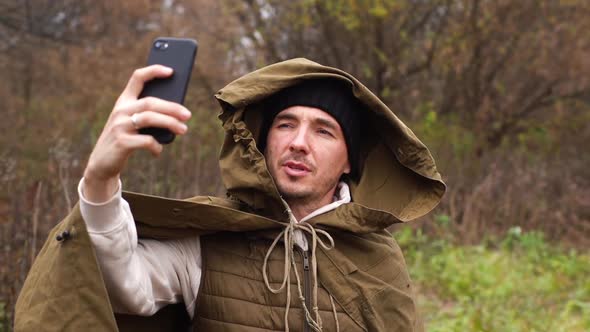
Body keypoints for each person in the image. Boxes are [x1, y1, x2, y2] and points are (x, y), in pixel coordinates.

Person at [15, 58, 446, 332]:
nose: (298, 142)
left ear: (349, 160)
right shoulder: (208, 243)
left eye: (323, 130)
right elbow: (122, 286)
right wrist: (99, 180)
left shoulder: (379, 260)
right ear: (263, 141)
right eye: (285, 124)